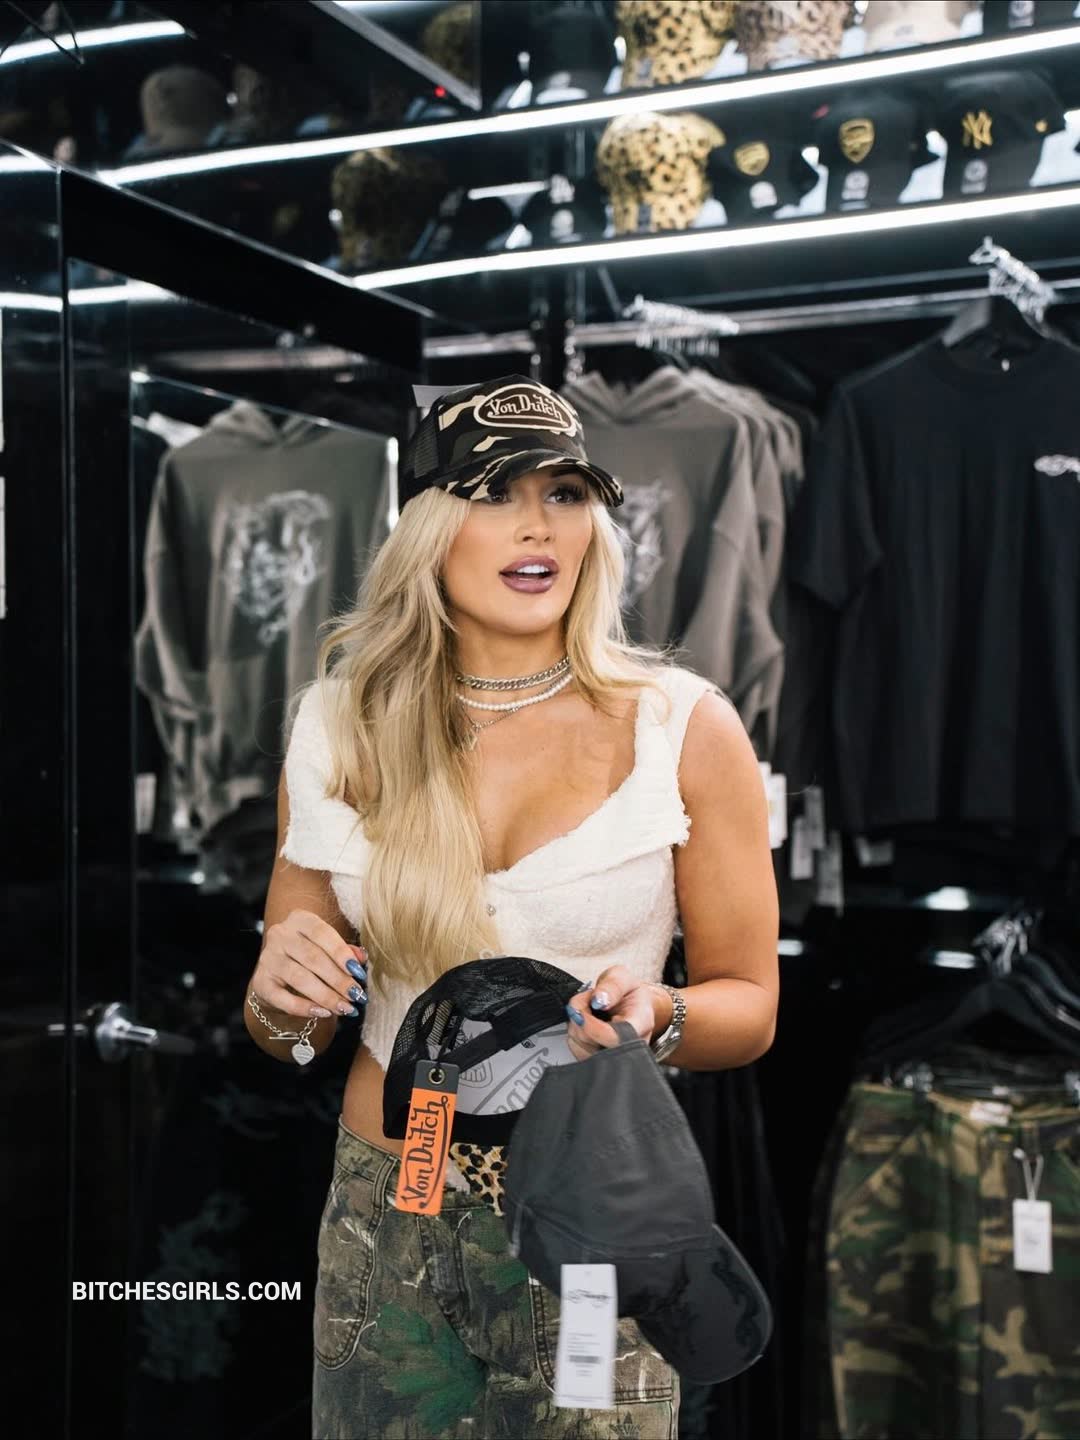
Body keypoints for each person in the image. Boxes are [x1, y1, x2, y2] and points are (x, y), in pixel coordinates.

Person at [242, 376, 780, 1439]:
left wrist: (658, 1014)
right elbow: (290, 1036)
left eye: (565, 494)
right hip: (386, 1205)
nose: (539, 526)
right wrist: (276, 994)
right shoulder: (339, 722)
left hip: (587, 1214)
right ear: (428, 526)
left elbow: (750, 1006)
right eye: (495, 495)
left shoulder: (681, 725)